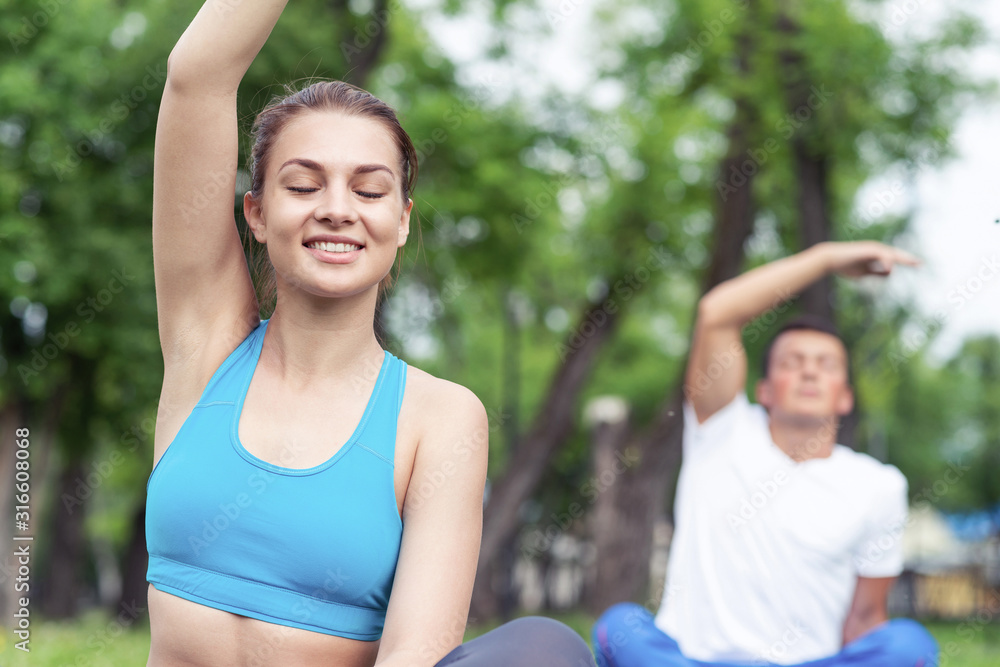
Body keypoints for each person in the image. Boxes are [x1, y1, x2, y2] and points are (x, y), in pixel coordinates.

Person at [144, 1, 597, 665]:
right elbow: (197, 75)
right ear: (258, 212)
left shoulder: (439, 419)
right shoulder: (206, 342)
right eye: (302, 184)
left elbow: (413, 654)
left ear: (403, 219)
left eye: (369, 189)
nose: (336, 209)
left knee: (544, 648)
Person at [592, 241, 939, 667]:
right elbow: (717, 313)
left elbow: (866, 619)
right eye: (793, 362)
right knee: (620, 625)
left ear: (845, 396)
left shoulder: (880, 485)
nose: (810, 370)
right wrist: (827, 258)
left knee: (908, 643)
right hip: (691, 661)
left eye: (826, 364)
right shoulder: (721, 430)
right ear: (765, 390)